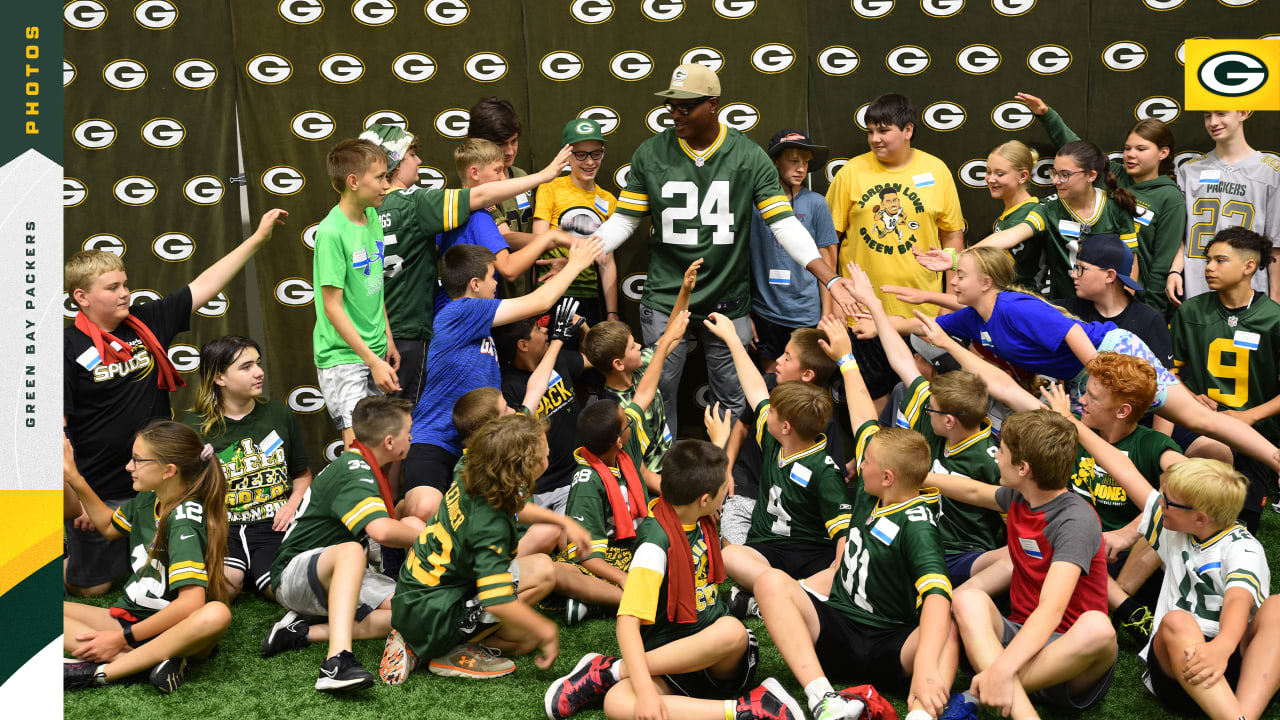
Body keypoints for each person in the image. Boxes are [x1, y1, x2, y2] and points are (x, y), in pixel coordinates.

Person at [589, 63, 857, 432]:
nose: (676, 114)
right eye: (671, 105)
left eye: (686, 106)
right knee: (658, 390)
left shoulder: (748, 157)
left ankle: (725, 474)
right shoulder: (651, 153)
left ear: (713, 104)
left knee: (732, 393)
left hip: (727, 297)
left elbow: (784, 224)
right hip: (668, 296)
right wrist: (581, 252)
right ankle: (658, 473)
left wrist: (829, 278)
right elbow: (623, 221)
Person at [63, 207, 286, 597]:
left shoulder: (147, 322)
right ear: (81, 297)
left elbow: (204, 285)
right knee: (94, 588)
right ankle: (65, 553)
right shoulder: (65, 347)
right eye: (112, 287)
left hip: (160, 482)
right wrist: (77, 503)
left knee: (171, 577)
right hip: (101, 486)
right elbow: (57, 438)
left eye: (125, 284)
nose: (124, 293)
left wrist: (257, 239)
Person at [746, 314, 957, 720]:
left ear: (888, 476)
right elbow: (862, 415)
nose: (857, 463)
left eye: (867, 461)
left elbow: (935, 597)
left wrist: (927, 670)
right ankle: (821, 696)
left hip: (892, 643)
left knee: (948, 625)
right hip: (840, 628)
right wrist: (846, 360)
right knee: (771, 581)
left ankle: (922, 710)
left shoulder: (918, 524)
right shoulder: (873, 487)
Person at [913, 246, 1280, 475]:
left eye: (960, 275)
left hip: (1108, 352)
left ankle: (1276, 459)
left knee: (1199, 419)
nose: (955, 282)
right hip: (1080, 376)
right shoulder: (977, 315)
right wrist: (873, 315)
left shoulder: (1014, 306)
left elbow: (1072, 333)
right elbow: (922, 325)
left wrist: (1099, 375)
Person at [1045, 390, 1280, 720]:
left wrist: (1221, 649)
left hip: (1231, 660)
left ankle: (1242, 714)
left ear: (1200, 517)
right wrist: (1071, 420)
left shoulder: (1243, 547)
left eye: (1168, 501)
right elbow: (1121, 467)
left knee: (1278, 607)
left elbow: (1238, 601)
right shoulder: (1175, 525)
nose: (1157, 504)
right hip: (1176, 668)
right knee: (1176, 622)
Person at [544, 438, 809, 720]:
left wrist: (718, 439)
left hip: (717, 653)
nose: (727, 495)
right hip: (668, 655)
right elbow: (626, 623)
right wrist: (645, 693)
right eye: (723, 489)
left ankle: (611, 670)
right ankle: (748, 710)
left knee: (732, 632)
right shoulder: (655, 544)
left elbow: (698, 471)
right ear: (704, 500)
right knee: (617, 703)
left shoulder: (696, 512)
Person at [930, 400, 1118, 720]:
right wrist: (921, 476)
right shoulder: (1020, 496)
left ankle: (980, 692)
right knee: (966, 598)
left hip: (1070, 657)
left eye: (1000, 450)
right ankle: (1016, 705)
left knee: (1099, 628)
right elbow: (975, 492)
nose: (996, 456)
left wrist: (1001, 668)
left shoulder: (1075, 520)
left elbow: (1051, 609)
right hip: (1018, 636)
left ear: (1023, 468)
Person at [359, 124, 570, 403]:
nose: (419, 160)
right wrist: (546, 178)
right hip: (424, 329)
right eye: (411, 154)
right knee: (412, 417)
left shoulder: (365, 211)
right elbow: (507, 266)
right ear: (395, 161)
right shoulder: (422, 205)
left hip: (379, 330)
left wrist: (548, 240)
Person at [401, 237, 602, 523]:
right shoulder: (460, 311)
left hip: (478, 446)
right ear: (474, 284)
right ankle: (393, 543)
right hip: (437, 438)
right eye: (492, 277)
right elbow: (540, 301)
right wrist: (577, 264)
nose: (496, 284)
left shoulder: (481, 324)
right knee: (424, 509)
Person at [378, 413, 562, 685]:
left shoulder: (474, 465)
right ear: (525, 468)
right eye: (543, 453)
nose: (548, 452)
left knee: (542, 573)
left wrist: (560, 519)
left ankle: (419, 638)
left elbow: (510, 505)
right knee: (528, 636)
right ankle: (440, 650)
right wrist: (547, 631)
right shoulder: (491, 525)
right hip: (434, 611)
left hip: (416, 593)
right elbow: (496, 597)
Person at [260, 396, 427, 693]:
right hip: (296, 573)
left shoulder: (363, 464)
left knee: (411, 611)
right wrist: (436, 536)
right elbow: (382, 531)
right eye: (408, 430)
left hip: (337, 573)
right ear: (389, 441)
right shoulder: (355, 468)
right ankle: (335, 664)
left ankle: (299, 633)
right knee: (354, 550)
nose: (412, 436)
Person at [854, 269, 1003, 586]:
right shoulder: (936, 410)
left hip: (964, 554)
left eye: (930, 408)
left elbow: (1014, 522)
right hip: (915, 537)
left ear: (949, 420)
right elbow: (904, 364)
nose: (923, 405)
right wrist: (873, 305)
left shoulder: (993, 460)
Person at [63, 421, 231, 694]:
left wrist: (120, 638)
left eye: (138, 460)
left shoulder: (184, 519)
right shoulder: (148, 498)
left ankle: (102, 672)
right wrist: (74, 478)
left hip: (175, 630)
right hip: (132, 619)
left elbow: (191, 604)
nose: (129, 467)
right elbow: (107, 526)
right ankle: (145, 663)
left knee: (216, 614)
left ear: (169, 471)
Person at [825, 92, 966, 407]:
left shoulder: (938, 171)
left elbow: (953, 239)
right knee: (871, 401)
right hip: (860, 315)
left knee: (925, 405)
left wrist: (950, 303)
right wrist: (836, 298)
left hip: (922, 316)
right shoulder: (851, 173)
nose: (875, 139)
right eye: (870, 131)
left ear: (908, 130)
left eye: (883, 130)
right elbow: (828, 243)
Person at [702, 313, 850, 600]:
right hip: (767, 549)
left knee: (839, 572)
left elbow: (843, 531)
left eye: (771, 410)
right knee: (731, 556)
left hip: (811, 552)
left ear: (785, 426)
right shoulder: (774, 438)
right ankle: (793, 593)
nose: (764, 408)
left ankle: (772, 596)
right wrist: (733, 338)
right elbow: (755, 388)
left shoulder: (824, 469)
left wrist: (838, 567)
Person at [555, 312, 688, 622]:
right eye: (625, 419)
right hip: (606, 551)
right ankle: (599, 598)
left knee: (673, 549)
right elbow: (586, 554)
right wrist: (620, 578)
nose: (630, 416)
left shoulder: (624, 444)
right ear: (619, 441)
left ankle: (596, 599)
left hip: (629, 540)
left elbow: (642, 395)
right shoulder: (588, 480)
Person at [1017, 92, 1186, 316]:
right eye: (1127, 148)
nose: (1131, 155)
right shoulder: (1112, 174)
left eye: (1141, 149)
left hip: (1135, 298)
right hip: (1094, 294)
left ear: (1163, 153)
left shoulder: (1170, 197)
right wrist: (1047, 115)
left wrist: (1147, 312)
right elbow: (1076, 151)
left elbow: (1162, 262)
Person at [182, 335, 312, 602]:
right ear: (220, 378)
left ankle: (260, 570)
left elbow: (302, 475)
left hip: (272, 525)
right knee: (225, 586)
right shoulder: (193, 427)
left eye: (258, 363)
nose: (259, 372)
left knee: (281, 590)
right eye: (246, 366)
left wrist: (293, 503)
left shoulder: (278, 413)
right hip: (223, 528)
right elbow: (184, 492)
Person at [929, 139, 1139, 301]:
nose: (1056, 180)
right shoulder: (1049, 208)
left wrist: (1126, 303)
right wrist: (959, 257)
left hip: (1108, 303)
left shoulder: (1115, 207)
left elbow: (1130, 259)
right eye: (1054, 173)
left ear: (1091, 175)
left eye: (1065, 174)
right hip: (1065, 306)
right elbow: (1011, 235)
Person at [1171, 227, 1280, 533]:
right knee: (1195, 514)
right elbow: (1169, 373)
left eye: (1220, 260)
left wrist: (1249, 416)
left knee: (1240, 525)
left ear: (1248, 267)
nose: (1208, 267)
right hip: (1204, 427)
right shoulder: (1192, 310)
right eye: (1208, 260)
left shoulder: (1274, 318)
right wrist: (1192, 399)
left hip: (1255, 433)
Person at [721, 327, 844, 548]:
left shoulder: (823, 433)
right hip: (748, 489)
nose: (777, 361)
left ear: (786, 427)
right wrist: (726, 469)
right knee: (733, 549)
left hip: (788, 512)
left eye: (787, 358)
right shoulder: (769, 385)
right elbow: (748, 415)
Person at [583, 258, 700, 476]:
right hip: (655, 484)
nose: (639, 345)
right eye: (632, 346)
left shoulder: (636, 367)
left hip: (669, 464)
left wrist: (685, 290)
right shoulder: (616, 410)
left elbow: (671, 338)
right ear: (618, 363)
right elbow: (639, 472)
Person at [495, 300, 591, 555]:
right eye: (538, 328)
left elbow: (597, 357)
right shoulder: (509, 389)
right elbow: (534, 392)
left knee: (582, 541)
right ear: (523, 345)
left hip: (579, 475)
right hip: (543, 490)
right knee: (567, 544)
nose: (546, 331)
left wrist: (583, 328)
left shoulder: (558, 360)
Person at [436, 138, 575, 315]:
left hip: (445, 312)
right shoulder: (479, 218)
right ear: (474, 173)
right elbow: (509, 269)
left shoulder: (445, 212)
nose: (503, 177)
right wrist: (548, 237)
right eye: (498, 170)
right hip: (470, 315)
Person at [1168, 110, 1280, 306]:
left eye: (1221, 114)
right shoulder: (1190, 170)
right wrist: (1175, 270)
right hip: (1197, 286)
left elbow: (1275, 244)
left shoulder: (1270, 171)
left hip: (1249, 290)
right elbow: (1182, 234)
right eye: (1207, 116)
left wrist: (1276, 298)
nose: (1213, 122)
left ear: (1243, 113)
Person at [749, 129, 839, 371]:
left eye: (806, 162)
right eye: (793, 160)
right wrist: (746, 313)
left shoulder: (817, 204)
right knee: (771, 382)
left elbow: (828, 262)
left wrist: (826, 315)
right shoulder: (753, 205)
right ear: (774, 161)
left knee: (805, 384)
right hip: (766, 311)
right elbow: (741, 261)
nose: (801, 168)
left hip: (807, 315)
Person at [531, 118, 619, 326]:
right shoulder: (550, 188)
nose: (590, 162)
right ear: (567, 155)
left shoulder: (609, 200)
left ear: (603, 152)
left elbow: (607, 261)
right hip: (552, 291)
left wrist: (612, 312)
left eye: (595, 153)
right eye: (580, 154)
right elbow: (536, 243)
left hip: (589, 296)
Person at [469, 96, 539, 297]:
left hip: (525, 292)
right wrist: (549, 240)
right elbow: (504, 237)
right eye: (501, 144)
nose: (510, 151)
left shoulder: (522, 177)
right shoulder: (478, 186)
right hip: (491, 297)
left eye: (514, 141)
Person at [979, 140, 1048, 291]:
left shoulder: (1032, 212)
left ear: (1023, 176)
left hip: (1027, 302)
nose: (990, 179)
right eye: (988, 171)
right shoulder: (1011, 213)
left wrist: (958, 258)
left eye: (999, 173)